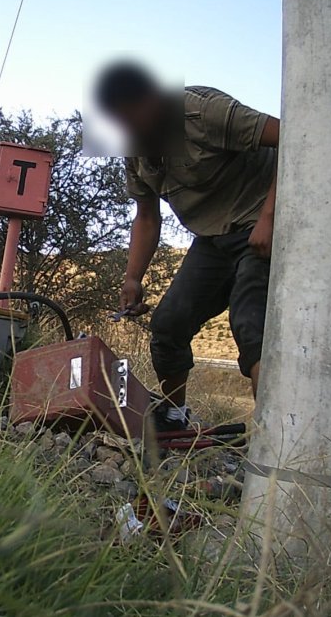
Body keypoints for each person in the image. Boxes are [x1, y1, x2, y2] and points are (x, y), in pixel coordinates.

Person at [94, 63, 279, 431]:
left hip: (260, 226)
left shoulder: (199, 112)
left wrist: (271, 217)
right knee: (168, 326)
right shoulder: (135, 150)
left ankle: (274, 445)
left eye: (132, 118)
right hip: (212, 240)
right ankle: (175, 417)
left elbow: (292, 139)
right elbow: (146, 217)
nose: (127, 131)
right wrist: (133, 278)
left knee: (251, 326)